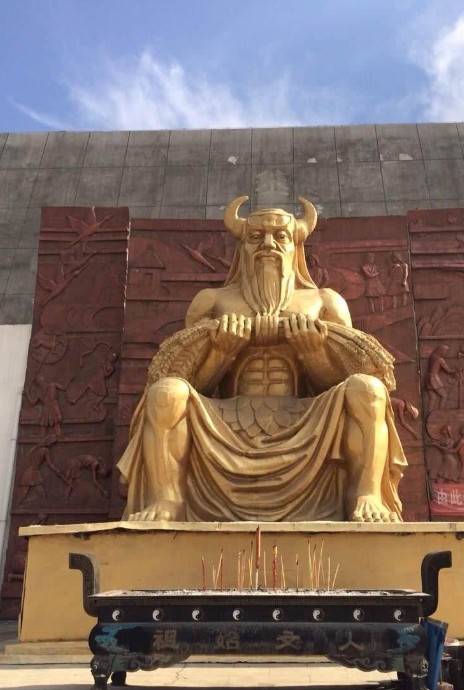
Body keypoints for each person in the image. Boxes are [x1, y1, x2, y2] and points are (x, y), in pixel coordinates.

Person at [118, 196, 407, 523]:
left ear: (295, 247)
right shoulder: (212, 302)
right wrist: (222, 351)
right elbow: (195, 383)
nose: (268, 244)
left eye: (280, 236)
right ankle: (168, 498)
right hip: (225, 421)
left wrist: (312, 352)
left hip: (306, 419)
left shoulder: (323, 302)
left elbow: (339, 383)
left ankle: (365, 495)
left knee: (368, 390)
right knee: (166, 392)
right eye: (256, 237)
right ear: (242, 247)